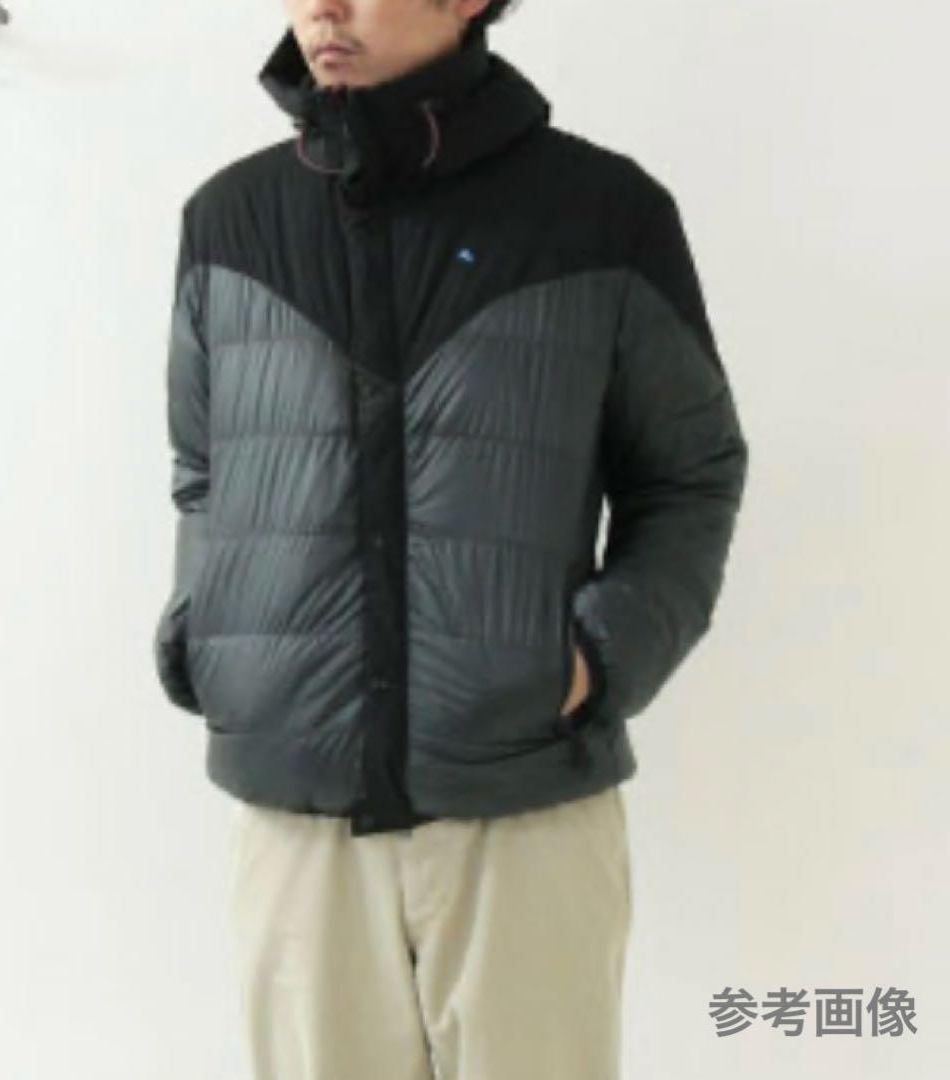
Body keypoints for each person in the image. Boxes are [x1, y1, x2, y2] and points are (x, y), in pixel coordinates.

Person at [153, 1, 749, 1077]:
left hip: (521, 802)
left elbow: (688, 475)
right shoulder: (230, 219)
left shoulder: (601, 213)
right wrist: (209, 637)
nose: (321, 10)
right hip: (296, 809)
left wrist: (596, 659)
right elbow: (205, 474)